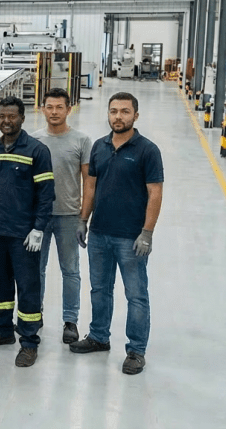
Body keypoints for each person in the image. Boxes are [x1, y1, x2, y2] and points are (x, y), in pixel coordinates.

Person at [70, 92, 162, 375]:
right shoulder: (99, 146)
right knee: (99, 290)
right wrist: (83, 220)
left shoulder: (147, 150)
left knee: (136, 295)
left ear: (136, 115)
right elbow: (91, 187)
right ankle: (98, 336)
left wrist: (147, 232)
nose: (118, 116)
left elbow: (155, 192)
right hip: (99, 233)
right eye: (113, 111)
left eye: (124, 111)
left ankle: (136, 350)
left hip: (130, 237)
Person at [0, 96, 54, 368]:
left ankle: (29, 342)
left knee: (28, 287)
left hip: (24, 235)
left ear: (22, 118)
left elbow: (46, 194)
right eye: (3, 116)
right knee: (0, 284)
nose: (7, 121)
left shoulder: (37, 151)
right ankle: (3, 330)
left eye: (12, 116)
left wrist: (38, 229)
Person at [33, 88, 92, 345]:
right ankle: (34, 313)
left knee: (70, 270)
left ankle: (70, 320)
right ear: (42, 108)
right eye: (50, 106)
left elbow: (89, 182)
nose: (54, 112)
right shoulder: (34, 140)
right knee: (36, 269)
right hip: (39, 217)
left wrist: (83, 218)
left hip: (68, 215)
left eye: (60, 107)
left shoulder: (81, 141)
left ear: (69, 109)